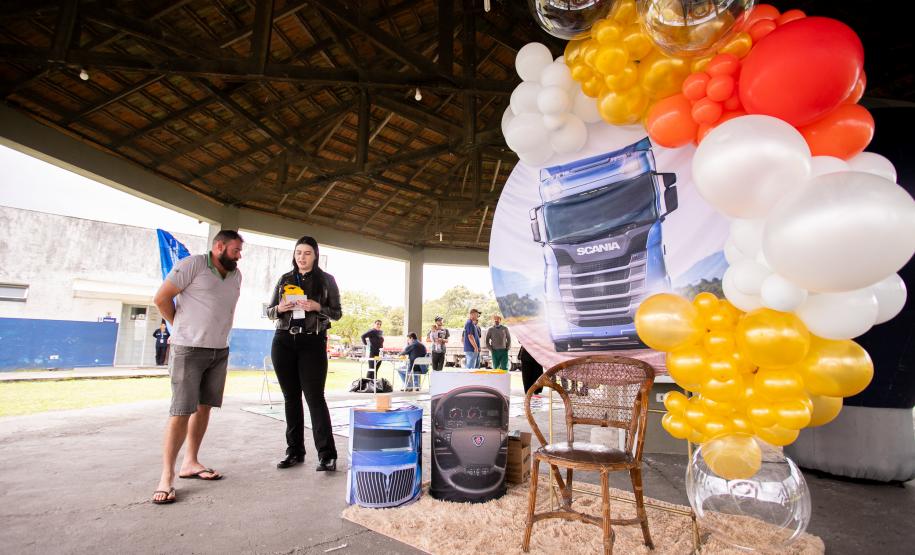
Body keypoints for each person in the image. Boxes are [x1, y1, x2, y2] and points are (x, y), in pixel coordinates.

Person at [150, 229, 244, 505]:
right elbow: (161, 299)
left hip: (219, 349)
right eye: (235, 250)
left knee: (204, 407)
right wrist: (178, 326)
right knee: (181, 410)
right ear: (219, 247)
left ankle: (190, 462)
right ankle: (166, 477)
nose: (239, 256)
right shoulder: (192, 265)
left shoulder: (236, 275)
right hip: (189, 349)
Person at [267, 235, 342, 472]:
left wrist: (317, 306)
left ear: (315, 255)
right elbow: (269, 311)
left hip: (312, 341)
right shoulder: (284, 279)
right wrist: (280, 308)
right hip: (283, 341)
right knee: (291, 398)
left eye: (307, 253)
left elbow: (337, 313)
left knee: (315, 398)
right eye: (298, 252)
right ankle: (294, 452)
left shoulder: (326, 280)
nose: (302, 257)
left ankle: (327, 455)